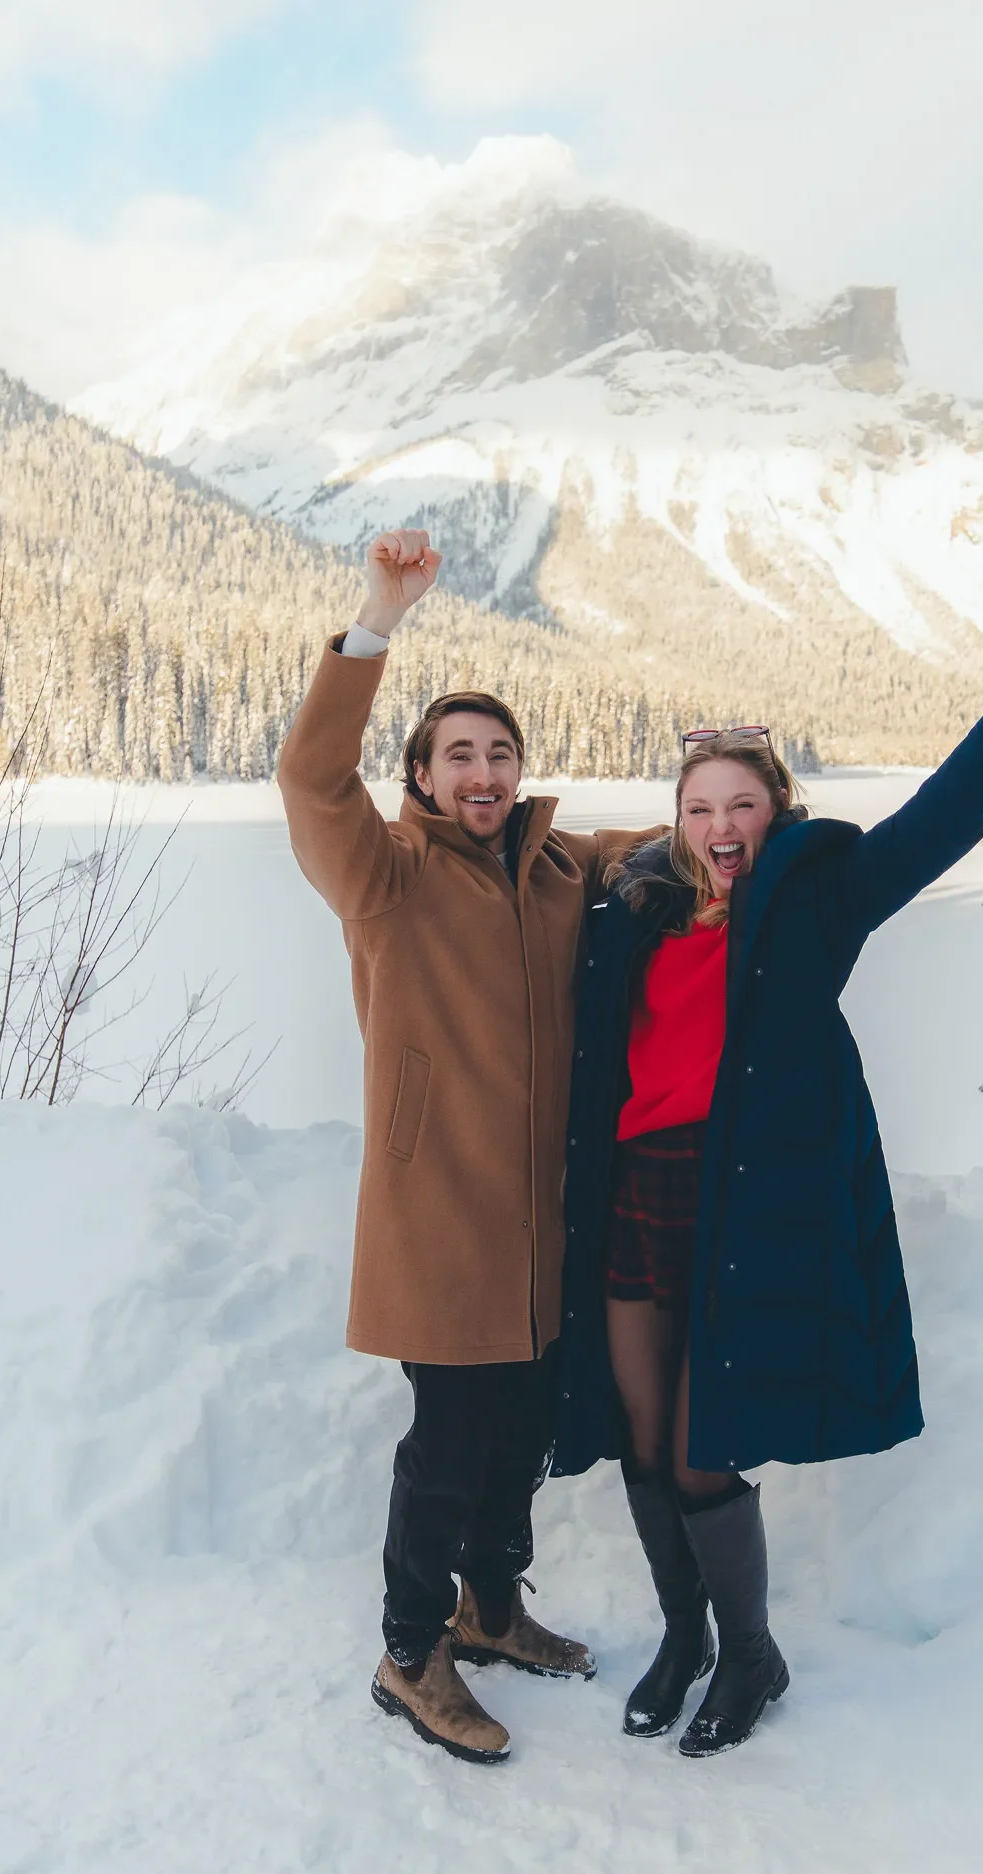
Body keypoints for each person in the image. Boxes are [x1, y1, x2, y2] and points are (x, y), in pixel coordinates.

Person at [552, 545, 983, 1757]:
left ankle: (750, 1655)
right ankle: (683, 1635)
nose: (718, 826)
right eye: (698, 807)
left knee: (703, 1451)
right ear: (678, 819)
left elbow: (949, 810)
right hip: (635, 1195)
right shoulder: (634, 908)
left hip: (741, 1203)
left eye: (740, 803)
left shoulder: (819, 896)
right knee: (644, 1441)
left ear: (776, 808)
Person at [277, 527, 659, 1766]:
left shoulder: (557, 870)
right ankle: (408, 1648)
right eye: (460, 755)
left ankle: (490, 1607)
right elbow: (309, 778)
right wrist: (375, 624)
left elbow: (670, 853)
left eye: (500, 752)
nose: (484, 771)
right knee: (447, 1441)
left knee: (522, 1429)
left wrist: (741, 809)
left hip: (541, 1222)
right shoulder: (381, 872)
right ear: (425, 776)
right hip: (438, 1217)